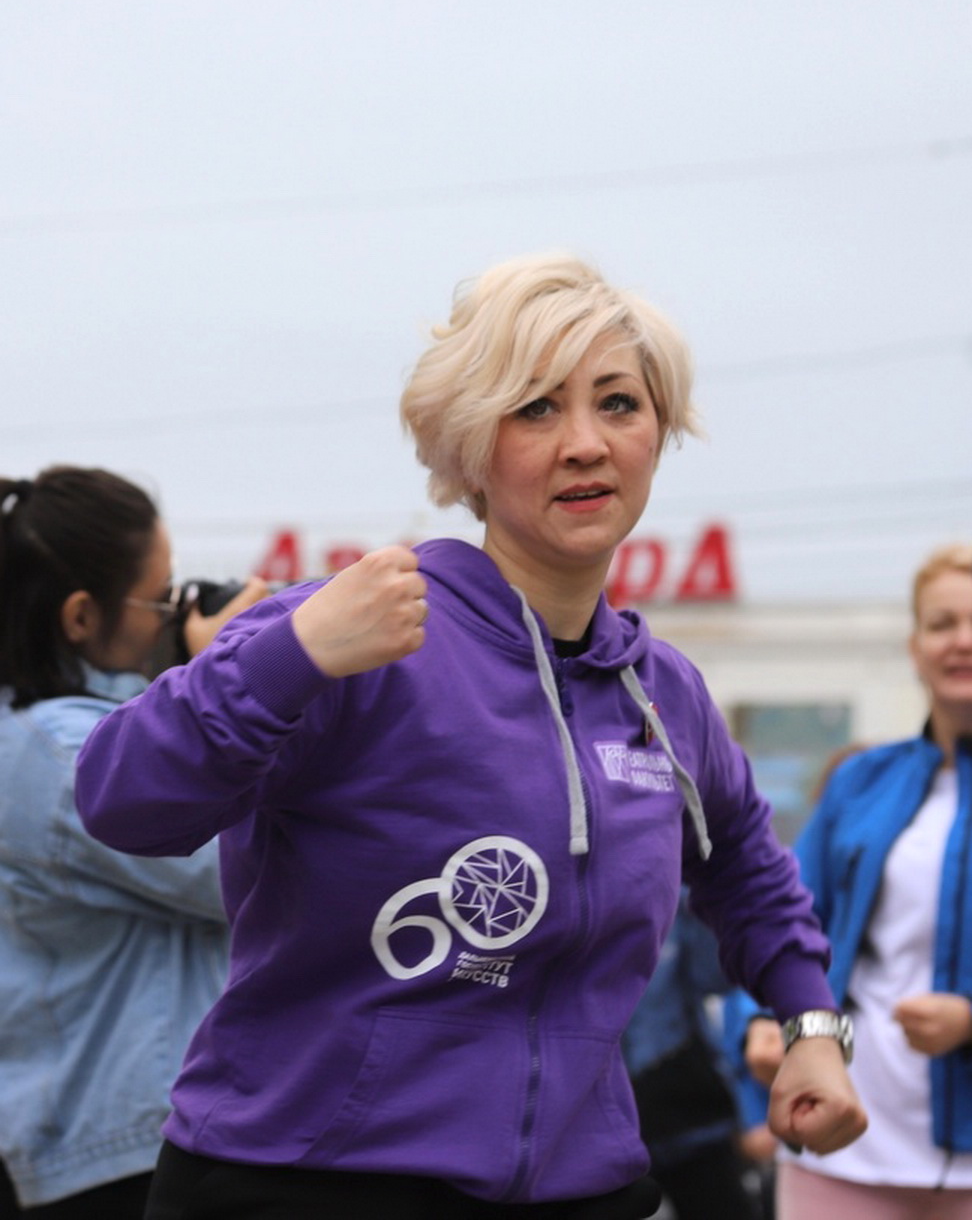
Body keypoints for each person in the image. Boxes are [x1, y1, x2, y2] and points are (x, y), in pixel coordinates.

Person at [75, 253, 866, 1220]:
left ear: (659, 433)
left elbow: (745, 864)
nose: (585, 444)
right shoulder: (353, 630)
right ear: (468, 447)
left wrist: (811, 1023)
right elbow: (120, 801)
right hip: (304, 1182)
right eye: (536, 408)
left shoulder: (663, 696)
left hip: (581, 1186)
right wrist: (292, 657)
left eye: (619, 403)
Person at [0, 467, 268, 1216]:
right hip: (107, 1149)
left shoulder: (42, 734)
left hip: (114, 1137)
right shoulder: (59, 754)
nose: (173, 614)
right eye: (160, 597)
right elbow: (244, 869)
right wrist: (228, 673)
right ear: (81, 616)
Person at [736, 543, 972, 1219]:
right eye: (942, 624)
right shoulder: (860, 782)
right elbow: (782, 916)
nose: (962, 641)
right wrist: (761, 1021)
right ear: (915, 647)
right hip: (842, 1143)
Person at [622, 890, 761, 1219]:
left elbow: (718, 978)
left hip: (684, 1103)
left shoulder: (671, 893)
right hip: (602, 1118)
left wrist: (699, 898)